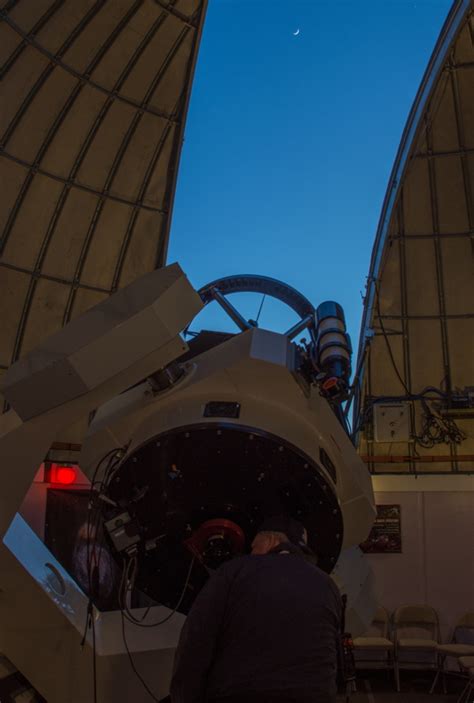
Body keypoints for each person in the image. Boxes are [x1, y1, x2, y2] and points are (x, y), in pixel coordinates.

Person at [170, 516, 342, 703]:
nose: (251, 553)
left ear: (270, 541)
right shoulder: (328, 585)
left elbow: (195, 644)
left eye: (253, 546)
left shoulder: (233, 572)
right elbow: (333, 659)